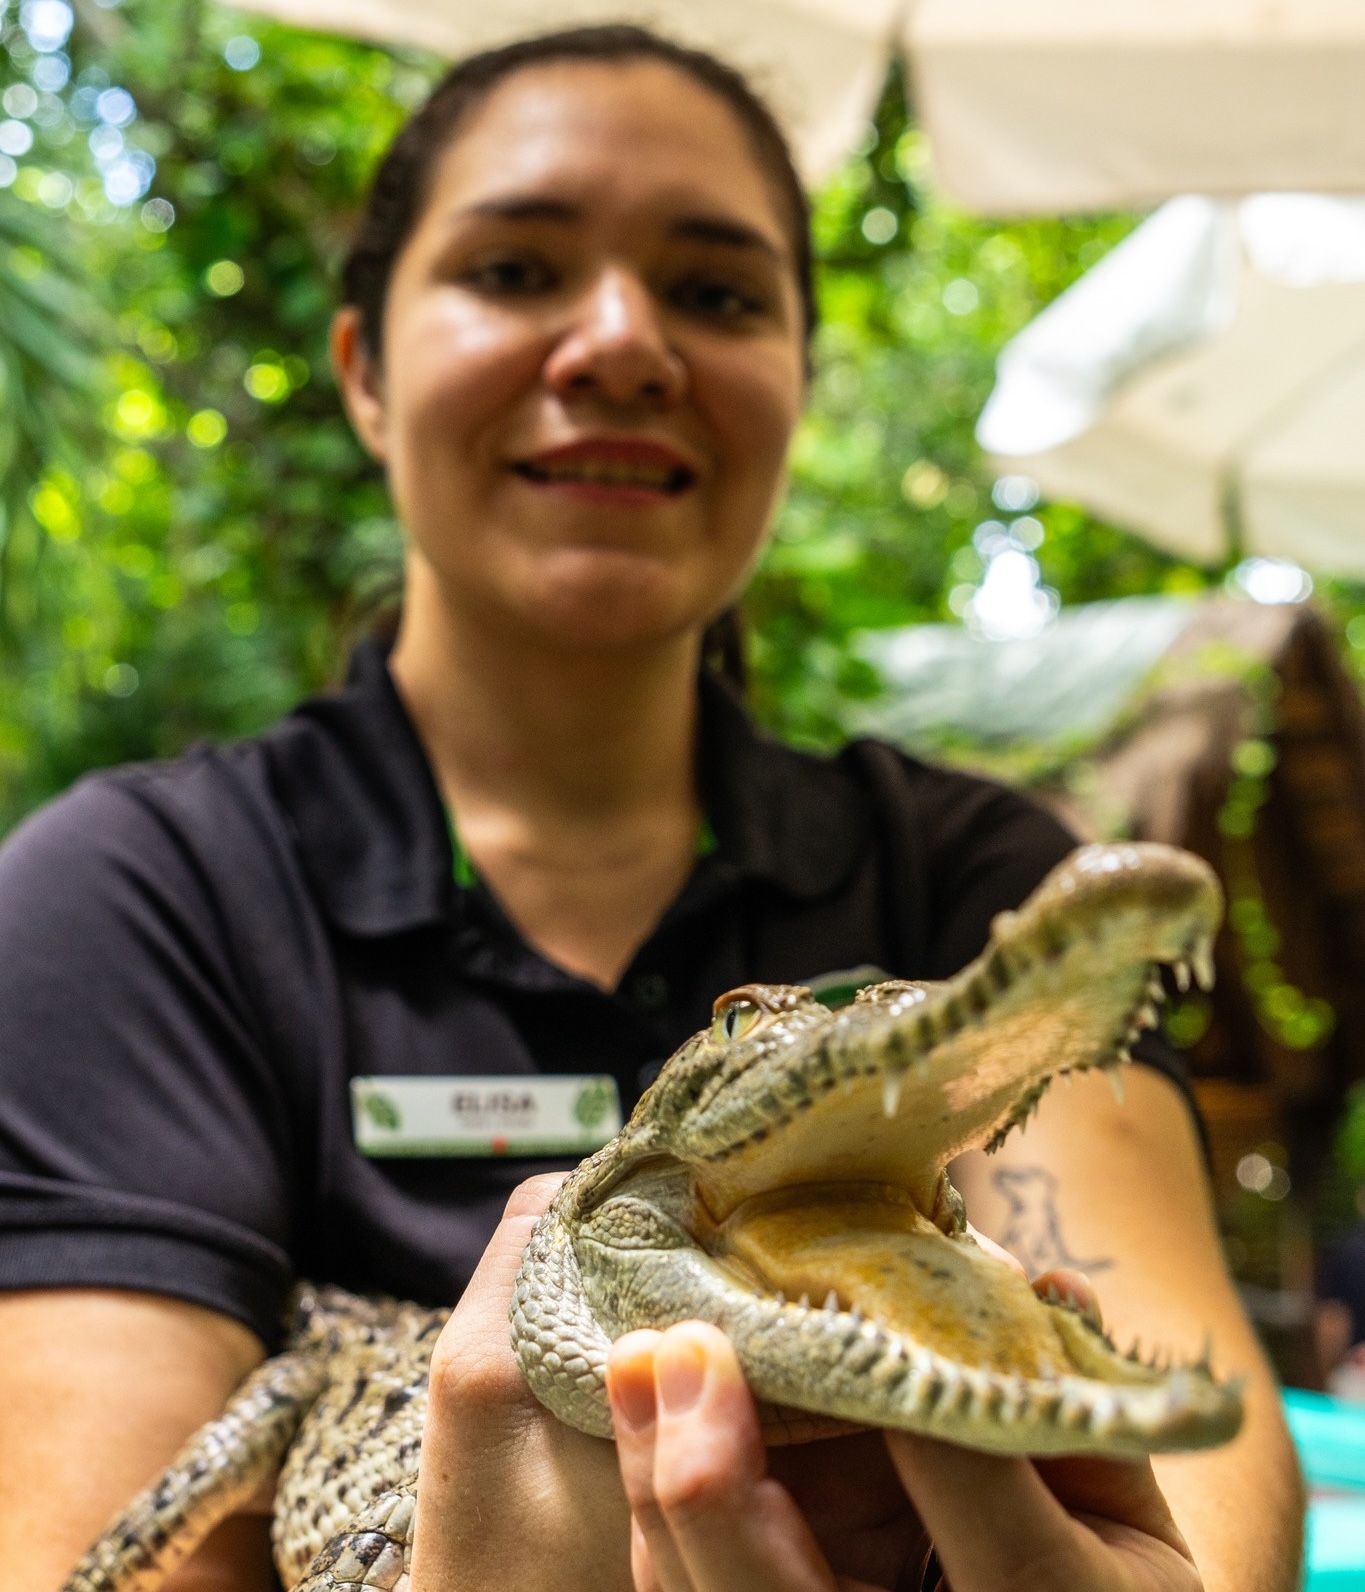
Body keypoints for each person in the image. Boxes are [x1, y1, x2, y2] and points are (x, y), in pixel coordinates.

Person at [0, 25, 1301, 1592]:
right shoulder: (134, 894)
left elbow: (1195, 1485)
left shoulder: (977, 877)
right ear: (360, 367)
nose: (620, 343)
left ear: (797, 385)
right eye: (515, 270)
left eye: (715, 292)